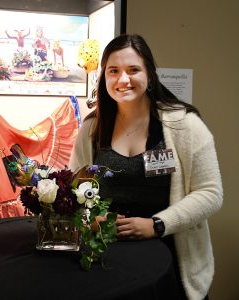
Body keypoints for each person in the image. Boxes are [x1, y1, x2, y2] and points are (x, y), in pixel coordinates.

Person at [69, 34, 223, 300]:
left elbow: (210, 193)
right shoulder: (92, 128)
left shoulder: (183, 125)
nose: (123, 80)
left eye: (133, 70)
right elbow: (75, 190)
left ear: (150, 75)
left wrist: (157, 225)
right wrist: (90, 218)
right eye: (113, 71)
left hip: (170, 259)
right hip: (109, 261)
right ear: (103, 77)